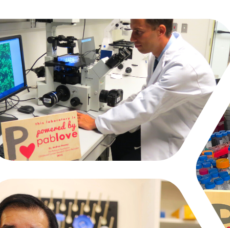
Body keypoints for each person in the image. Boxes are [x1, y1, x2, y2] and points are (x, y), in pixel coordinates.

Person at [76, 20, 215, 161]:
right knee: (118, 140)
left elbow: (144, 107)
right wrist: (111, 114)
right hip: (163, 121)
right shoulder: (157, 54)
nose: (131, 38)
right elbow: (146, 94)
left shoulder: (184, 67)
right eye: (132, 30)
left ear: (160, 31)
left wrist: (96, 123)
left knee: (125, 160)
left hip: (178, 137)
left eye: (138, 32)